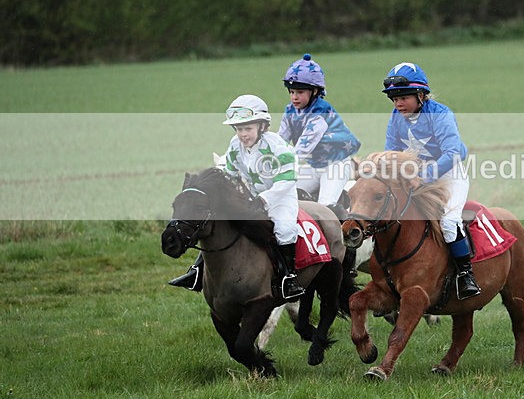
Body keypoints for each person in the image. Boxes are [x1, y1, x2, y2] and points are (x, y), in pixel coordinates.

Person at [169, 94, 305, 300]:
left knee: (284, 229)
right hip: (250, 197)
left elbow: (288, 178)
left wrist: (265, 199)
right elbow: (229, 174)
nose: (243, 134)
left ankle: (289, 278)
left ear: (262, 126)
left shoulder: (277, 146)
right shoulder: (235, 145)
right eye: (239, 129)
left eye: (247, 128)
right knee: (219, 224)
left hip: (280, 199)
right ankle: (195, 272)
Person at [381, 61, 480, 300]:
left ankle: (466, 274)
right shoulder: (396, 117)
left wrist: (422, 177)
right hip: (414, 178)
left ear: (420, 94)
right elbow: (391, 153)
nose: (398, 104)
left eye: (403, 97)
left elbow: (454, 153)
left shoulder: (441, 114)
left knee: (448, 221)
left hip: (448, 175)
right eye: (394, 99)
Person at [278, 54, 361, 221]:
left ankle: (345, 243)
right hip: (314, 166)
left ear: (315, 91)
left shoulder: (320, 112)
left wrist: (281, 161)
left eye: (300, 92)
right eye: (292, 91)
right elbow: (280, 140)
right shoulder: (290, 110)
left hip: (335, 165)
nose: (294, 97)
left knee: (325, 207)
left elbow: (303, 147)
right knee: (288, 195)